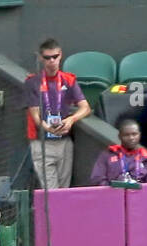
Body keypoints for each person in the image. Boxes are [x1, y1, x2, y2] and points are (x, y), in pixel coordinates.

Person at [24, 38, 91, 189]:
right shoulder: (32, 82)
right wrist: (47, 127)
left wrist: (71, 120)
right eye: (47, 58)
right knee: (51, 191)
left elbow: (85, 107)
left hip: (64, 141)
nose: (52, 61)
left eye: (55, 56)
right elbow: (35, 115)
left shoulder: (69, 80)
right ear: (41, 58)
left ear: (60, 55)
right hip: (42, 142)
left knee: (64, 190)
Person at [90, 118, 147, 185]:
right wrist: (115, 187)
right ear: (119, 136)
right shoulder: (107, 155)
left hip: (138, 196)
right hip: (112, 195)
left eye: (134, 134)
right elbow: (97, 179)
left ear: (139, 135)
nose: (131, 138)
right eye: (126, 135)